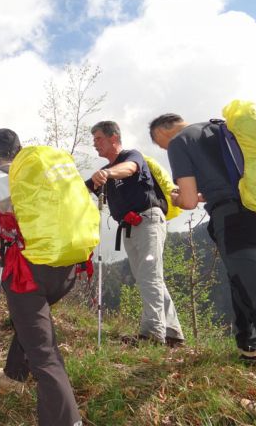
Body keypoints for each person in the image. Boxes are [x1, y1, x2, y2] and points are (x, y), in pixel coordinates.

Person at [149, 113, 256, 425]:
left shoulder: (180, 142)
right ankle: (248, 348)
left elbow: (190, 201)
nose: (163, 148)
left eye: (159, 143)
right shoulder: (223, 129)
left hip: (233, 221)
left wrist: (175, 196)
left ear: (165, 130)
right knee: (244, 284)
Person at [0, 129, 83, 426]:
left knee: (44, 353)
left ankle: (66, 421)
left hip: (28, 272)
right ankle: (14, 374)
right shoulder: (49, 171)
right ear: (20, 150)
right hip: (67, 266)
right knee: (30, 322)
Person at [85, 120, 184, 347]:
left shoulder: (131, 156)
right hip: (130, 227)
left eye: (98, 138)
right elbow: (82, 189)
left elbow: (130, 169)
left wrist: (107, 173)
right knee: (147, 278)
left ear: (114, 138)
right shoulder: (105, 176)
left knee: (149, 275)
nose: (95, 144)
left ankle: (152, 334)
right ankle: (172, 333)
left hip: (148, 220)